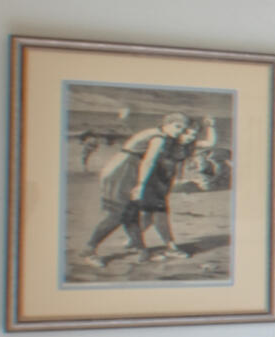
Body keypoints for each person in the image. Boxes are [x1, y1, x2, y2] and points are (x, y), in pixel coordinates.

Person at [81, 113, 208, 267]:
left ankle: (142, 251)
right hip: (123, 173)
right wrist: (141, 184)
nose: (179, 132)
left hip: (124, 170)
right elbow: (148, 161)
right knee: (119, 214)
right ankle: (89, 250)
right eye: (177, 126)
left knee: (131, 213)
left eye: (182, 129)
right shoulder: (158, 138)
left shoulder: (155, 133)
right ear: (166, 123)